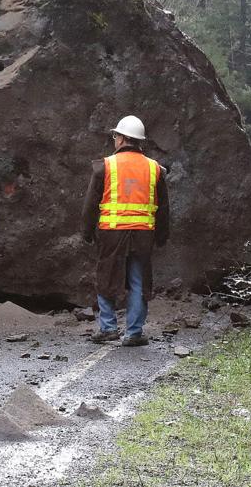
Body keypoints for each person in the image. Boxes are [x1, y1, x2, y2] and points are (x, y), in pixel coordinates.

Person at [81, 115, 170, 347]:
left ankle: (108, 327)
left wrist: (87, 231)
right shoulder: (155, 169)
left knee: (106, 277)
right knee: (138, 281)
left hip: (112, 232)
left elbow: (91, 203)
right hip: (143, 234)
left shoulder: (105, 166)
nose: (115, 139)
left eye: (115, 135)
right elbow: (164, 207)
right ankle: (134, 332)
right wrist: (162, 235)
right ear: (139, 141)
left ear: (121, 139)